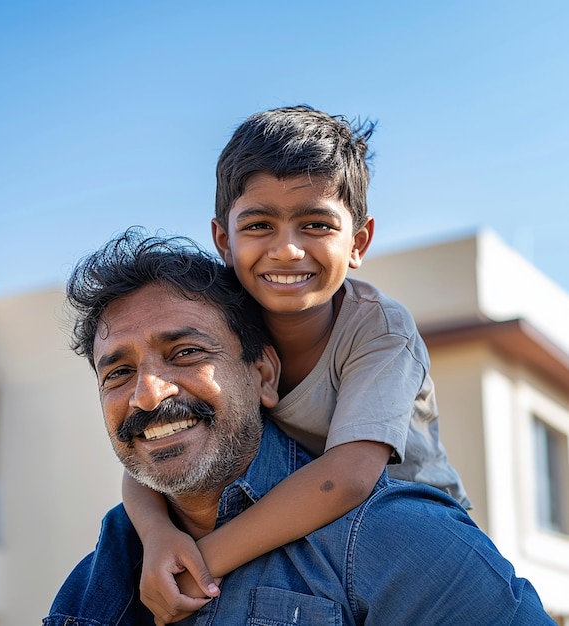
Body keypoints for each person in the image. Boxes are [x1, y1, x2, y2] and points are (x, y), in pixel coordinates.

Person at [44, 229, 553, 625]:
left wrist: (200, 560)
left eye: (188, 353)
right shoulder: (103, 569)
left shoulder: (400, 542)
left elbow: (350, 475)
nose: (148, 393)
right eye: (119, 372)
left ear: (264, 374)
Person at [124, 106, 472, 621]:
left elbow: (348, 478)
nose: (287, 250)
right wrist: (157, 539)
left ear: (358, 243)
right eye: (260, 225)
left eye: (315, 224)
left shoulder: (380, 331)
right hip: (285, 514)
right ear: (225, 240)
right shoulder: (222, 330)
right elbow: (154, 446)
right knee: (120, 533)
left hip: (404, 529)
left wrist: (198, 565)